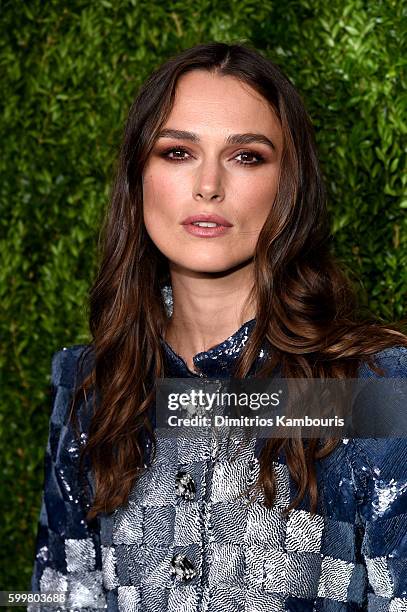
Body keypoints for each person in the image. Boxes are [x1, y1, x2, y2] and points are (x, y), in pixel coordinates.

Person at [30, 42, 407, 611]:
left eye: (246, 156)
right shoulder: (93, 383)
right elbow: (61, 596)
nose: (208, 185)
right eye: (177, 152)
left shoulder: (372, 389)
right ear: (139, 176)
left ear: (290, 185)